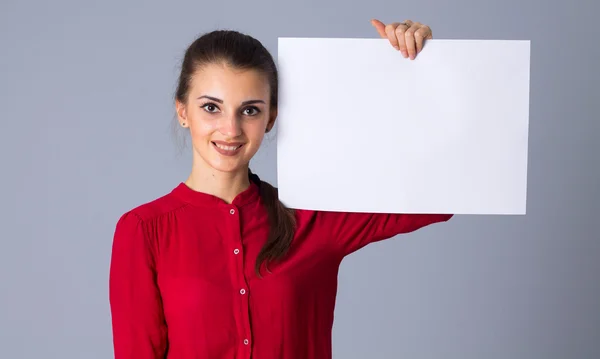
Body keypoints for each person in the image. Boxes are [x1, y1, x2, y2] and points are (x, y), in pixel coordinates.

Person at [109, 18, 453, 359]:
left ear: (270, 118)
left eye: (250, 110)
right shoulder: (143, 231)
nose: (231, 129)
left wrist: (415, 66)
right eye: (211, 107)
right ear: (183, 111)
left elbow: (441, 193)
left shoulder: (310, 217)